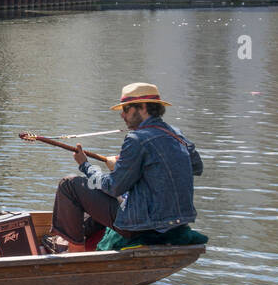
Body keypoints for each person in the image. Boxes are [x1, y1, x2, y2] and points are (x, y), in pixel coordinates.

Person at [51, 82, 203, 251]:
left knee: (69, 185)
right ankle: (77, 241)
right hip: (174, 223)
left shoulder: (136, 139)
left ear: (143, 108)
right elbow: (196, 167)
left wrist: (85, 165)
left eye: (126, 109)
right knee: (108, 194)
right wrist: (132, 166)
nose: (122, 115)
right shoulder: (177, 134)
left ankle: (75, 254)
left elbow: (113, 186)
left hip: (142, 225)